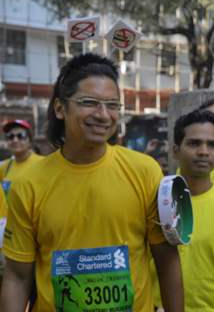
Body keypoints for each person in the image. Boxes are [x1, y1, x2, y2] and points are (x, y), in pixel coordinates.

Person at [0, 53, 184, 312]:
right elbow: (17, 276)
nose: (103, 115)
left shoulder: (144, 171)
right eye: (89, 103)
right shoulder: (29, 183)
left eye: (112, 105)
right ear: (60, 108)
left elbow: (166, 259)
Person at [152, 109, 214, 311]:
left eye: (211, 145)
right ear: (175, 150)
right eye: (194, 143)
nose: (204, 151)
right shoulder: (153, 199)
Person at [0, 119, 43, 196]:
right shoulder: (4, 167)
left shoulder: (42, 164)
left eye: (21, 135)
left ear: (30, 140)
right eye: (10, 136)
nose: (15, 140)